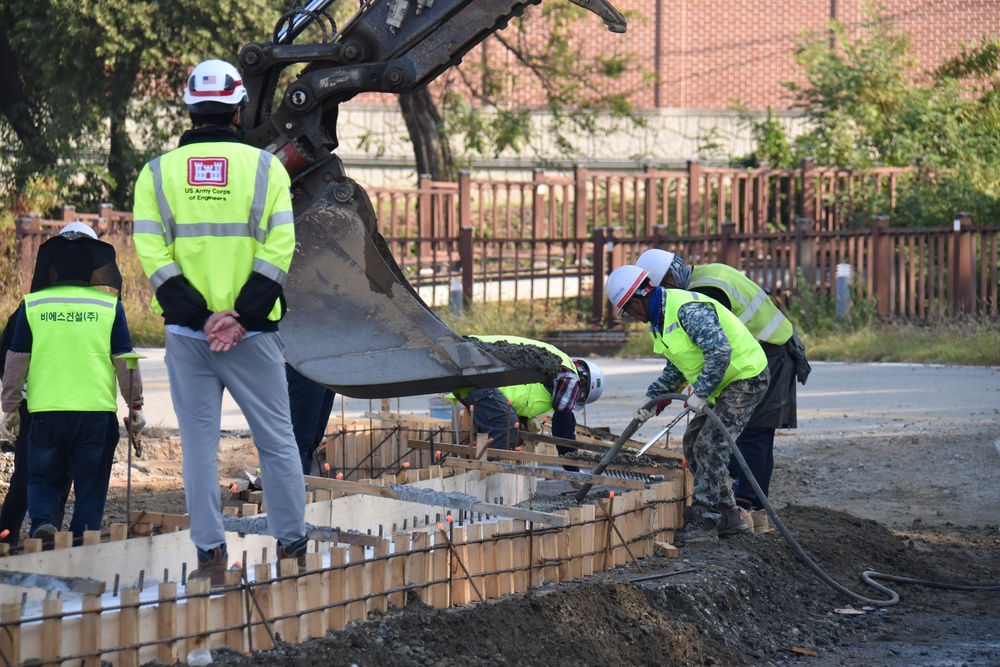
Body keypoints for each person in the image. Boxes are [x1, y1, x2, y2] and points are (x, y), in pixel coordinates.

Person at [132, 59, 308, 584]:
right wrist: (242, 316)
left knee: (199, 449)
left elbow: (151, 252)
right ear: (237, 109)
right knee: (278, 441)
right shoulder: (266, 169)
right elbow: (281, 245)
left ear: (190, 108)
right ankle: (292, 550)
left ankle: (211, 558)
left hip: (190, 336)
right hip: (252, 336)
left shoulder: (157, 174)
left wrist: (202, 317)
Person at [0, 221, 144, 548]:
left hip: (46, 414)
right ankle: (81, 545)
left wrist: (9, 409)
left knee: (43, 480)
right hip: (95, 415)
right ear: (95, 266)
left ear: (52, 266)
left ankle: (45, 522)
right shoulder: (109, 308)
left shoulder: (34, 306)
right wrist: (135, 407)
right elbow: (125, 360)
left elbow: (16, 359)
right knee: (91, 489)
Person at [636, 249, 811, 513]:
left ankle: (748, 502)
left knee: (753, 432)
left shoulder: (701, 294)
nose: (660, 295)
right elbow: (691, 354)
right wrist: (667, 393)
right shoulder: (706, 275)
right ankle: (740, 500)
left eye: (660, 287)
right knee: (727, 434)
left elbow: (712, 349)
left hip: (768, 352)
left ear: (669, 276)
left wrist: (703, 388)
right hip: (759, 350)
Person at [605, 265, 769, 543]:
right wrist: (654, 397)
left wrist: (702, 391)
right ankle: (728, 513)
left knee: (711, 442)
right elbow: (678, 367)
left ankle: (706, 520)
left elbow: (719, 351)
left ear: (636, 301)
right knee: (693, 443)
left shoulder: (685, 311)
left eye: (626, 312)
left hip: (746, 376)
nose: (630, 317)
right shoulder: (659, 322)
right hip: (722, 383)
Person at [450, 335, 604, 466]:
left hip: (475, 375)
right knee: (504, 425)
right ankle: (493, 475)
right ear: (583, 383)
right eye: (579, 396)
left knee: (495, 429)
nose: (574, 397)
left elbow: (521, 393)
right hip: (479, 373)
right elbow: (563, 424)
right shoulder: (570, 377)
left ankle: (483, 470)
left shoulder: (560, 363)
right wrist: (571, 463)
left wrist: (525, 420)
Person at [286, 364, 336, 476]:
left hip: (329, 368)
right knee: (301, 440)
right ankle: (293, 490)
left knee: (314, 439)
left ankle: (302, 487)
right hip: (304, 367)